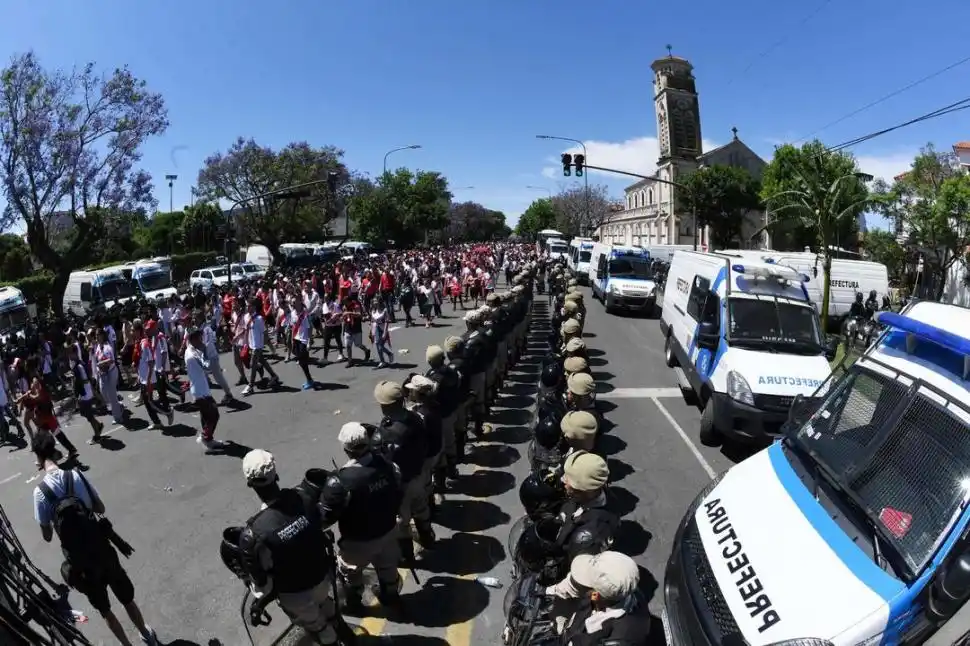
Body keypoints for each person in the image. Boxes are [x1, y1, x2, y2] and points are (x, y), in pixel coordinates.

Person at [31, 432, 159, 645]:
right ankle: (147, 636)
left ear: (38, 458)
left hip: (81, 563)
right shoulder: (75, 475)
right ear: (55, 450)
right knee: (126, 598)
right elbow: (100, 507)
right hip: (102, 548)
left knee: (105, 610)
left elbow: (47, 536)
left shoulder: (40, 492)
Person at [238, 450, 352, 645]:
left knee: (319, 627)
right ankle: (345, 632)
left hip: (296, 594)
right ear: (276, 475)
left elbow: (263, 585)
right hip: (322, 579)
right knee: (326, 606)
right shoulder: (304, 498)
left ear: (250, 484)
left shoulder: (256, 531)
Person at [320, 422, 403, 611]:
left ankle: (354, 601)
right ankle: (391, 598)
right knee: (388, 569)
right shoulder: (387, 464)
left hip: (358, 541)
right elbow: (397, 487)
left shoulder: (342, 480)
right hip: (388, 530)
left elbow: (325, 518)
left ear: (345, 448)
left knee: (349, 571)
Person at [547, 551, 651, 645]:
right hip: (575, 632)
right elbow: (574, 585)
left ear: (600, 594)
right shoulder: (621, 589)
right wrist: (549, 591)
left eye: (587, 585)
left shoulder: (620, 637)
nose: (582, 586)